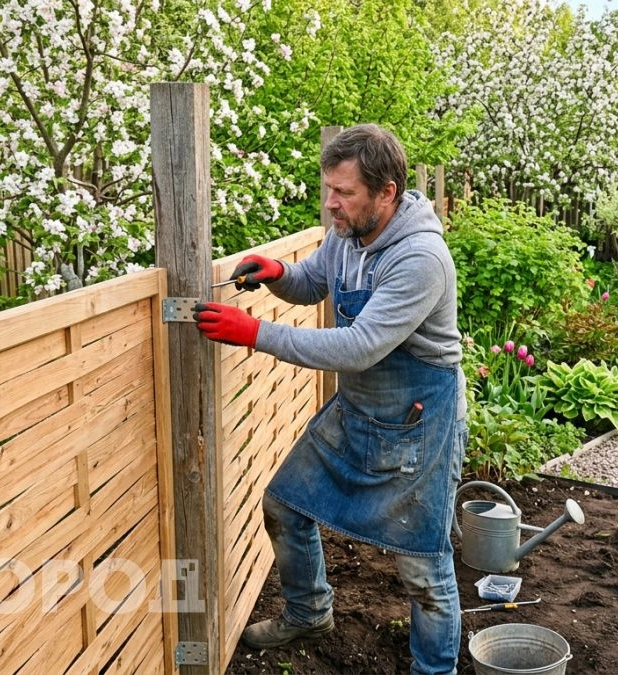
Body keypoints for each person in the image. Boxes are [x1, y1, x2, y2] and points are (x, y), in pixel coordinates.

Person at [192, 123, 467, 675]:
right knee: (285, 504)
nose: (330, 203)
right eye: (328, 189)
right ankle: (309, 611)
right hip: (361, 409)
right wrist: (278, 275)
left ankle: (434, 670)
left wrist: (255, 334)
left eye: (343, 193)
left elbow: (359, 346)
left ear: (387, 191)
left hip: (418, 420)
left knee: (423, 564)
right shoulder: (348, 235)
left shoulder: (420, 259)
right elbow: (312, 283)